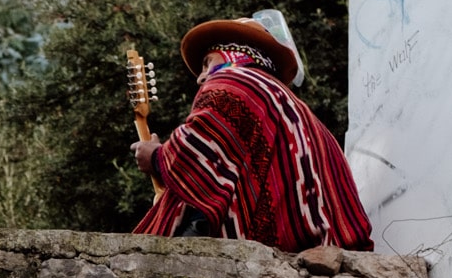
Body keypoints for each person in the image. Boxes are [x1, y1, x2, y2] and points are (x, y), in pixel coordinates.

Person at [130, 13, 372, 251]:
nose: (201, 77)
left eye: (207, 63)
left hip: (267, 249)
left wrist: (157, 157)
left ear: (234, 52)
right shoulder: (303, 114)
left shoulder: (233, 80)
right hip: (323, 249)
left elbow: (200, 148)